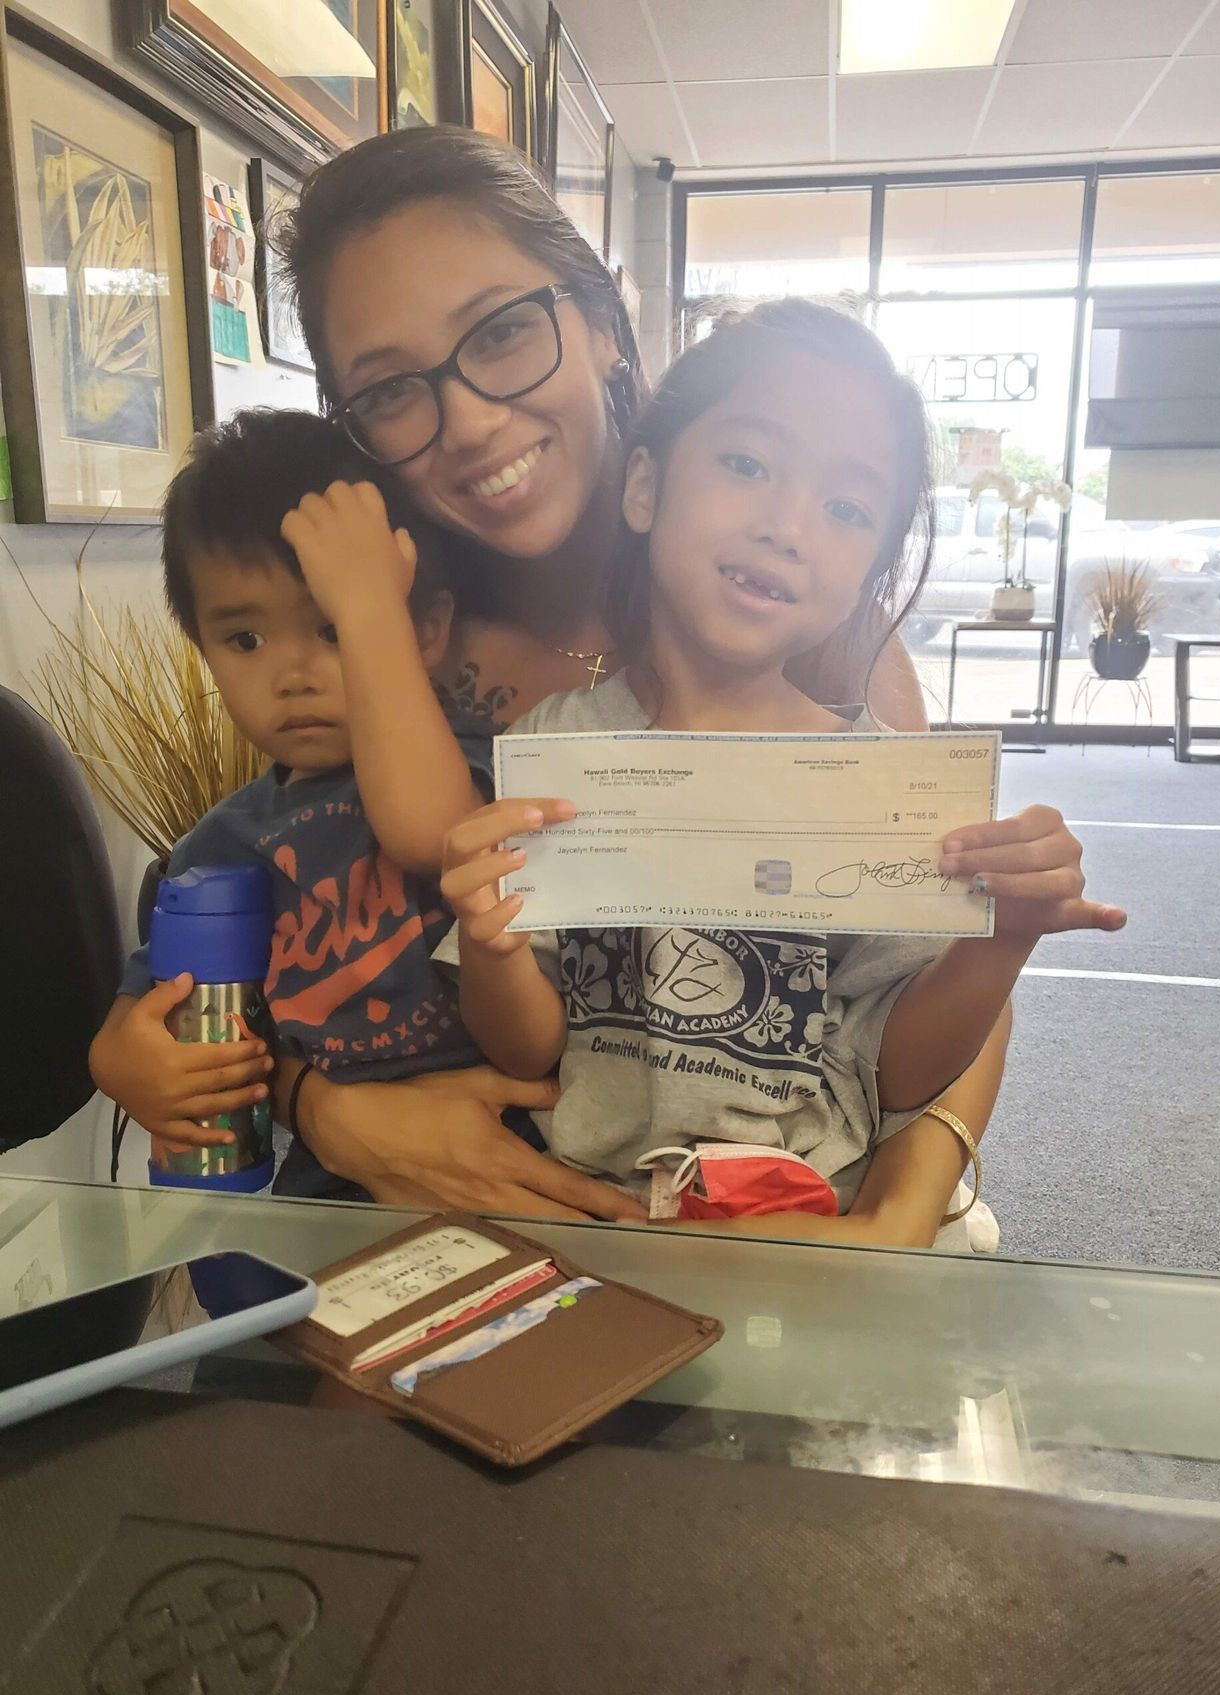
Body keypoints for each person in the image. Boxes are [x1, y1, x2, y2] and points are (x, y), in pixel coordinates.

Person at [268, 124, 1008, 1223]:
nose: (466, 421)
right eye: (389, 392)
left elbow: (921, 948)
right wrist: (312, 1104)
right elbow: (274, 909)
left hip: (797, 1218)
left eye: (504, 332)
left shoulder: (788, 597)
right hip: (470, 1219)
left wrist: (905, 1204)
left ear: (603, 323)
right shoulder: (379, 643)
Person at [438, 301, 1125, 1246]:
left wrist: (1000, 941)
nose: (788, 526)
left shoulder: (877, 784)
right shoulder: (561, 746)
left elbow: (901, 1076)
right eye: (748, 464)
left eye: (847, 509)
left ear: (865, 573)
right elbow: (528, 1047)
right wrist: (491, 942)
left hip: (819, 1212)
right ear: (644, 488)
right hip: (600, 1212)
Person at [88, 409, 498, 1201]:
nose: (292, 675)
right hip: (331, 1188)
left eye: (333, 627)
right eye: (244, 640)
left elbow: (437, 833)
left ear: (426, 628)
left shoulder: (476, 766)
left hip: (507, 1161)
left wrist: (373, 609)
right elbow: (141, 1009)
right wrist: (126, 1064)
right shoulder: (223, 844)